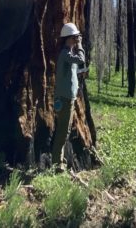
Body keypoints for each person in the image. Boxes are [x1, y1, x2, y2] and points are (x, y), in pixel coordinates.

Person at [50, 22, 85, 172]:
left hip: (67, 97)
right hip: (64, 98)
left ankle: (60, 161)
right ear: (68, 39)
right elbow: (81, 59)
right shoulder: (66, 54)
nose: (77, 40)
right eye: (75, 37)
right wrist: (81, 45)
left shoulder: (67, 54)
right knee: (63, 131)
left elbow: (73, 70)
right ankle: (57, 164)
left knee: (65, 131)